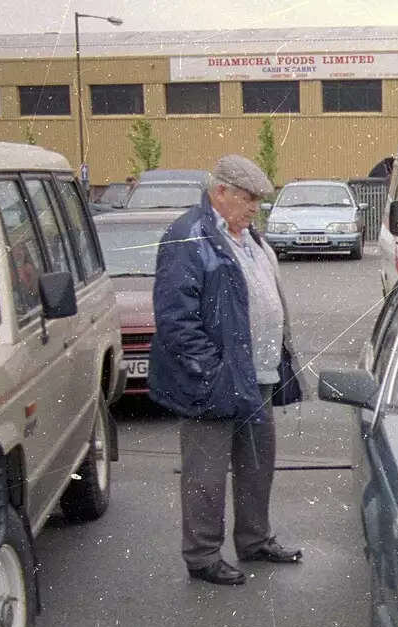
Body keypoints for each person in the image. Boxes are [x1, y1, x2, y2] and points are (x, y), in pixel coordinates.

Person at [149, 154, 304, 587]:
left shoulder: (248, 235)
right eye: (249, 197)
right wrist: (212, 370)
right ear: (220, 192)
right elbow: (176, 318)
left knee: (258, 464)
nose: (255, 207)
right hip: (215, 380)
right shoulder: (187, 236)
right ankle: (201, 556)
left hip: (259, 376)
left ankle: (254, 540)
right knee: (206, 474)